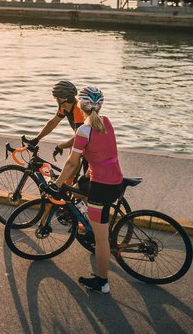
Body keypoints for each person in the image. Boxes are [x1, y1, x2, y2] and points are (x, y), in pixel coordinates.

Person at [50, 86, 123, 294]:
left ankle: (102, 283)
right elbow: (102, 153)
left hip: (102, 187)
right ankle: (87, 223)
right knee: (79, 191)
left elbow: (72, 164)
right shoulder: (106, 122)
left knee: (101, 241)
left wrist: (56, 185)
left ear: (80, 105)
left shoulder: (84, 130)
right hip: (113, 180)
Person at [27, 80, 86, 156]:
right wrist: (37, 139)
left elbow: (79, 136)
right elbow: (53, 122)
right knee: (72, 153)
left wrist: (61, 146)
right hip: (84, 138)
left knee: (71, 162)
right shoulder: (64, 107)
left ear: (58, 99)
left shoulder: (78, 110)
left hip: (90, 141)